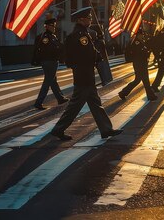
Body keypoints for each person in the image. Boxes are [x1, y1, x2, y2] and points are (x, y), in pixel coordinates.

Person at [50, 7, 123, 141]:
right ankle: (58, 129)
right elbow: (87, 54)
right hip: (83, 76)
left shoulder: (82, 33)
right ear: (81, 20)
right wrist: (97, 55)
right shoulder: (81, 35)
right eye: (88, 18)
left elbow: (87, 52)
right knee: (74, 106)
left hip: (85, 75)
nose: (90, 20)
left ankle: (106, 129)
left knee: (96, 104)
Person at [32, 15, 70, 110]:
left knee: (53, 81)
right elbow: (49, 50)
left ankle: (60, 98)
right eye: (52, 26)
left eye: (54, 26)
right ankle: (38, 102)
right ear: (47, 26)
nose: (54, 28)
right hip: (49, 61)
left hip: (51, 61)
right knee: (48, 81)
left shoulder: (52, 36)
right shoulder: (46, 37)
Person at [118, 29, 157, 101]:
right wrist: (147, 52)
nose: (142, 36)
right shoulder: (136, 43)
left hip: (141, 64)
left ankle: (123, 93)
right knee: (145, 81)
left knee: (137, 80)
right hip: (139, 64)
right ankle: (151, 96)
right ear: (138, 35)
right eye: (141, 35)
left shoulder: (141, 42)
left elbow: (144, 51)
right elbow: (139, 53)